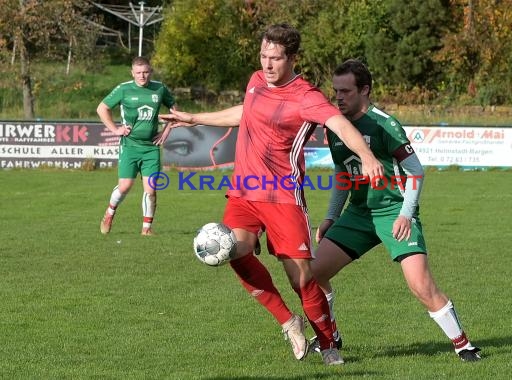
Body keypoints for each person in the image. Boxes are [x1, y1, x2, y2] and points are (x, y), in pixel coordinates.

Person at [159, 24, 383, 365]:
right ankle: (288, 321)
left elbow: (340, 124)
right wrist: (195, 118)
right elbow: (245, 113)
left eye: (275, 58)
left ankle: (328, 343)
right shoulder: (255, 81)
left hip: (283, 197)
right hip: (245, 191)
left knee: (302, 279)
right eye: (263, 56)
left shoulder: (307, 97)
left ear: (292, 58)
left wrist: (367, 156)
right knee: (235, 251)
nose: (267, 64)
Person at [309, 59, 482, 362]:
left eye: (345, 91)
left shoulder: (384, 124)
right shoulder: (335, 126)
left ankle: (463, 345)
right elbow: (342, 173)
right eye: (335, 91)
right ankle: (332, 334)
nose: (338, 97)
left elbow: (415, 171)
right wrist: (331, 216)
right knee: (312, 274)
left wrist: (406, 213)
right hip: (359, 214)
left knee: (420, 285)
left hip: (394, 211)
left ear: (365, 90)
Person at [97, 56, 176, 236]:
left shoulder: (160, 88)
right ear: (132, 73)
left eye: (146, 72)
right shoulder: (124, 89)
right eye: (139, 73)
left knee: (151, 189)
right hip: (130, 146)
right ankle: (109, 213)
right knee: (125, 186)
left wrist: (166, 132)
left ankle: (146, 229)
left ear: (151, 72)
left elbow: (175, 110)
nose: (142, 76)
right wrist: (115, 129)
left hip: (151, 148)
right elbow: (102, 108)